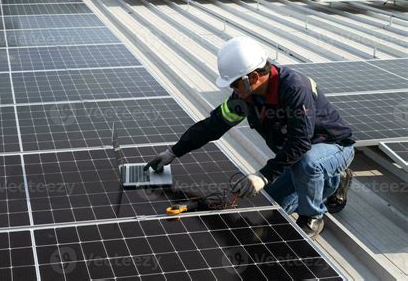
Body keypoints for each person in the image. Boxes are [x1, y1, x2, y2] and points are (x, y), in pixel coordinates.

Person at [144, 37, 355, 239]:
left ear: (252, 77)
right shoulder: (246, 97)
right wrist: (174, 151)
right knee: (271, 203)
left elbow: (300, 142)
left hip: (333, 146)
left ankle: (313, 217)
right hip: (297, 158)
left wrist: (263, 176)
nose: (232, 90)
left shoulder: (294, 88)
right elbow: (214, 125)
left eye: (234, 84)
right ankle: (334, 182)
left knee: (309, 163)